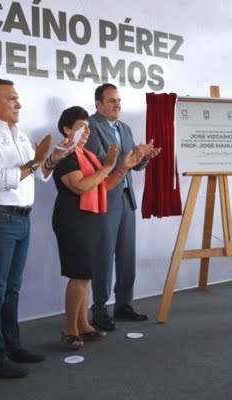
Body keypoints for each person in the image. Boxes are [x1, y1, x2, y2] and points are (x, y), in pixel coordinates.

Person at [0, 78, 72, 379]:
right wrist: (37, 162)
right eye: (11, 98)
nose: (18, 104)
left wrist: (51, 161)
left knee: (11, 288)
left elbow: (38, 175)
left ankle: (12, 346)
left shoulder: (19, 134)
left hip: (20, 218)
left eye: (17, 98)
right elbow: (1, 179)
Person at [52, 106, 143, 349]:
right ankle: (69, 328)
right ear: (66, 129)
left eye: (88, 128)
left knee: (87, 276)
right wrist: (107, 167)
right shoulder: (64, 155)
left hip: (91, 218)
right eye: (80, 128)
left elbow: (105, 185)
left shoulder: (87, 154)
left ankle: (83, 324)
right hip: (73, 219)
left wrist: (123, 165)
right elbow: (81, 186)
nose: (85, 133)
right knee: (79, 276)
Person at [85, 83, 160, 331]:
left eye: (118, 100)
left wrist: (144, 157)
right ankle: (99, 309)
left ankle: (124, 304)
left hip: (127, 200)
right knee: (103, 256)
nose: (117, 105)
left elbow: (133, 166)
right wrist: (131, 156)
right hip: (106, 199)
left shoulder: (125, 128)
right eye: (111, 101)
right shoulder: (90, 127)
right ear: (98, 104)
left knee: (127, 255)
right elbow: (98, 163)